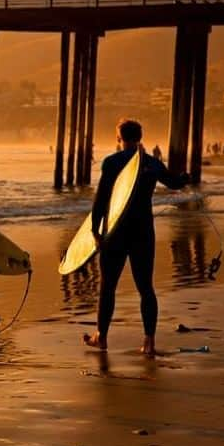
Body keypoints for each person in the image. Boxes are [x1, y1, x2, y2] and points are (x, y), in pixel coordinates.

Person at [83, 119, 190, 356]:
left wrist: (94, 229)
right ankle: (149, 342)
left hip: (117, 231)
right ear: (140, 137)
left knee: (108, 287)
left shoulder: (112, 162)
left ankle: (101, 337)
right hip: (143, 231)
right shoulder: (151, 163)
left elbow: (101, 198)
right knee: (145, 288)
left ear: (119, 138)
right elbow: (174, 183)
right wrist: (184, 177)